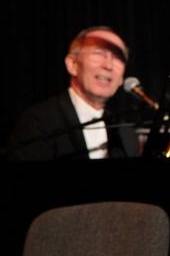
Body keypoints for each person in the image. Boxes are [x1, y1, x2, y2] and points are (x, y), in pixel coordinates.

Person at [8, 26, 140, 160]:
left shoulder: (126, 133)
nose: (108, 65)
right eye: (99, 53)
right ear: (73, 64)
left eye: (118, 58)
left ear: (121, 78)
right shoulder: (38, 123)